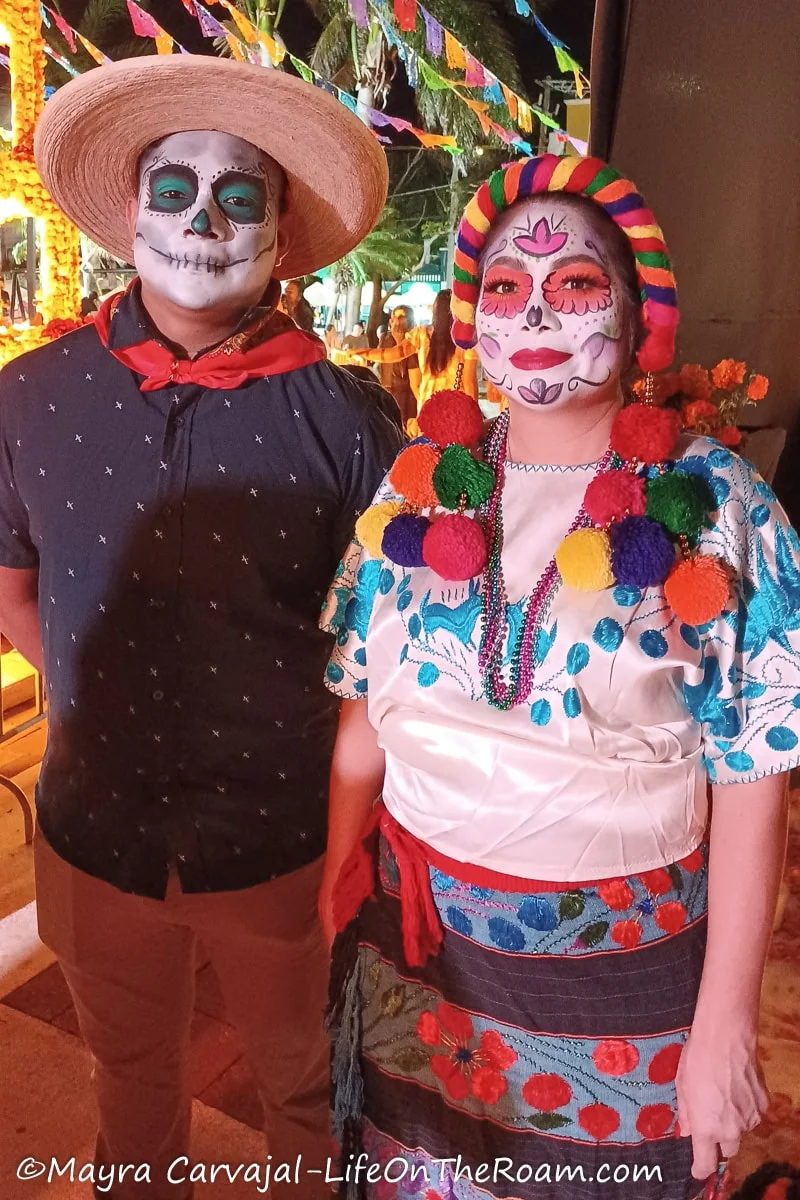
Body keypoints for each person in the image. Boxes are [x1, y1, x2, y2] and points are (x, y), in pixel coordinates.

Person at [319, 155, 796, 1200]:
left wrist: (724, 1024)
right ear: (467, 319)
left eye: (573, 284)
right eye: (500, 287)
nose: (531, 307)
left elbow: (753, 770)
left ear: (636, 315)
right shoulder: (415, 490)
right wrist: (330, 875)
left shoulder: (715, 507)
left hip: (616, 981)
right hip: (414, 955)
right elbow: (363, 715)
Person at [0, 54, 399, 1200]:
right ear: (131, 209)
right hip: (93, 831)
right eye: (175, 189)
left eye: (240, 194)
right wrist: (82, 687)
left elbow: (380, 650)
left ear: (278, 223)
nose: (204, 220)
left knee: (306, 1097)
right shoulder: (30, 395)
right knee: (128, 1087)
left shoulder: (348, 420)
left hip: (280, 845)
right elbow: (12, 581)